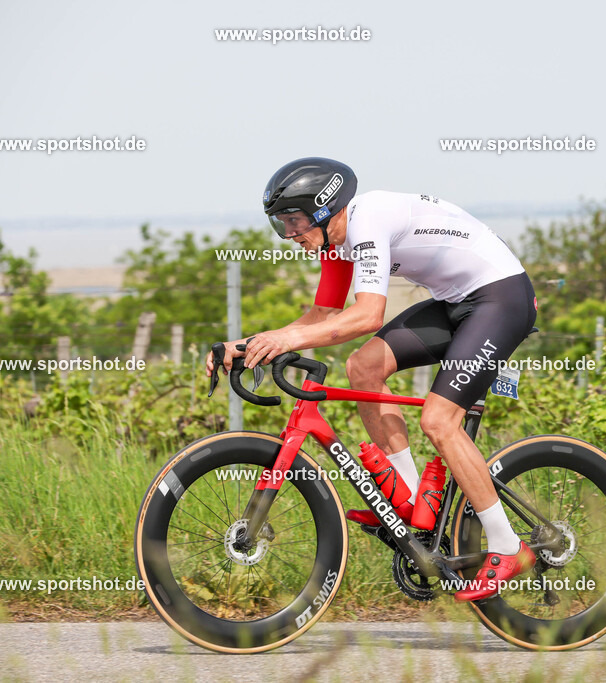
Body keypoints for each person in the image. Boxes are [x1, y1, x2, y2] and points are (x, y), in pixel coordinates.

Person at [206, 157, 538, 601]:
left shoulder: (369, 220)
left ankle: (507, 545)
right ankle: (409, 503)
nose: (290, 235)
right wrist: (248, 345)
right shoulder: (335, 241)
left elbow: (367, 315)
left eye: (295, 221)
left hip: (501, 297)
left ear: (326, 209)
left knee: (439, 421)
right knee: (363, 367)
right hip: (455, 301)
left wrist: (281, 342)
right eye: (280, 225)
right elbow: (321, 315)